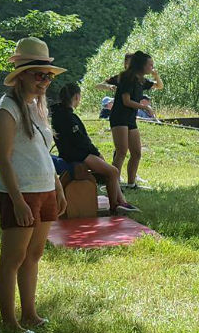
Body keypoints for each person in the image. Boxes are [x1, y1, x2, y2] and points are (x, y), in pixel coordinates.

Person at [0, 37, 68, 333]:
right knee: (13, 259)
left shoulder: (36, 106)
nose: (45, 81)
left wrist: (58, 187)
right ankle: (9, 323)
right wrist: (18, 200)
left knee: (33, 255)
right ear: (21, 73)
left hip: (44, 189)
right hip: (20, 192)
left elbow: (43, 154)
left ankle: (30, 314)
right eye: (39, 74)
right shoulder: (5, 110)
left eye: (48, 75)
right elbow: (3, 160)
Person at [51, 82, 138, 215]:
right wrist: (96, 153)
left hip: (72, 152)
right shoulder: (69, 117)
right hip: (76, 154)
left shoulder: (59, 114)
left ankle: (121, 201)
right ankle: (114, 205)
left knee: (111, 171)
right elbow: (81, 141)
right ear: (76, 97)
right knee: (113, 172)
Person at [109, 51, 156, 189]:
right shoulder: (127, 77)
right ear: (141, 65)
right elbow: (126, 101)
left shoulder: (140, 79)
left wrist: (156, 76)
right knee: (121, 152)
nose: (152, 67)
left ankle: (131, 184)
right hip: (119, 117)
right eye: (150, 65)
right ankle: (114, 185)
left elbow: (159, 86)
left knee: (136, 153)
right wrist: (145, 108)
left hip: (130, 119)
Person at [96, 52, 163, 94]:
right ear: (125, 64)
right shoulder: (120, 77)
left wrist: (156, 76)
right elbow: (98, 86)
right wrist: (109, 86)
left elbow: (159, 86)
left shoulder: (141, 80)